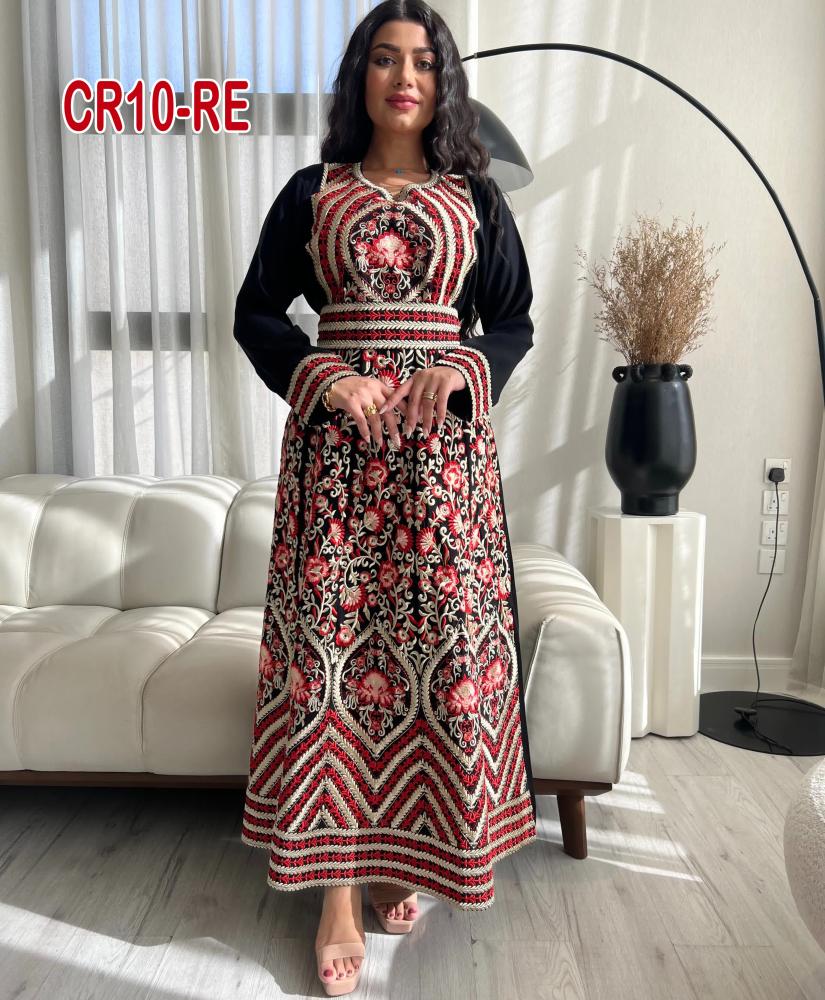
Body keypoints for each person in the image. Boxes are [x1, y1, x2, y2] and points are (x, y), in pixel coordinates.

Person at [234, 1, 538, 994]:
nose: (405, 77)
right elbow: (255, 313)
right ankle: (335, 891)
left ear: (443, 83)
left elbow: (513, 320)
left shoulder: (474, 198)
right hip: (336, 467)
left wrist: (459, 365)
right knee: (336, 661)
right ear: (358, 77)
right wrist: (326, 375)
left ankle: (405, 856)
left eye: (423, 62)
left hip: (442, 474)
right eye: (384, 59)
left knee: (434, 663)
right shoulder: (312, 193)